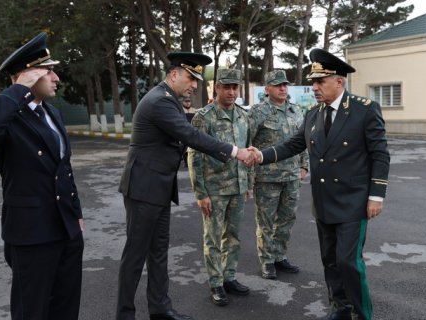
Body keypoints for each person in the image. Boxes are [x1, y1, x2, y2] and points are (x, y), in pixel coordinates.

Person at [249, 49, 390, 320]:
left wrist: (376, 196)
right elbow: (294, 144)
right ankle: (340, 308)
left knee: (349, 262)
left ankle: (362, 315)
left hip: (353, 201)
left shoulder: (364, 109)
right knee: (330, 261)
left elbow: (380, 154)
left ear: (339, 82)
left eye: (320, 82)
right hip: (324, 201)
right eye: (313, 82)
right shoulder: (313, 113)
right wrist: (261, 156)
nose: (314, 87)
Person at [116, 52, 254, 320]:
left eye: (197, 80)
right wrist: (236, 151)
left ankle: (160, 309)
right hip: (143, 190)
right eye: (191, 78)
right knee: (135, 257)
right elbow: (190, 135)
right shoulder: (159, 101)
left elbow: (185, 130)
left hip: (158, 190)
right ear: (174, 74)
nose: (194, 84)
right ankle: (124, 315)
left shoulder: (168, 100)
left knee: (157, 254)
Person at [0, 32, 84, 320]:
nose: (57, 77)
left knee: (66, 306)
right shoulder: (1, 112)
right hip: (32, 234)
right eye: (49, 71)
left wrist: (77, 212)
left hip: (65, 226)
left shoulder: (53, 114)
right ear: (29, 74)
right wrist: (20, 85)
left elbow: (64, 168)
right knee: (31, 310)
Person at [187, 69, 251, 306]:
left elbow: (247, 151)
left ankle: (229, 277)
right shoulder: (204, 117)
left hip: (237, 185)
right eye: (227, 87)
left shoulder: (244, 116)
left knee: (233, 236)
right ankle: (215, 282)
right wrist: (200, 193)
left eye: (235, 87)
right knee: (213, 238)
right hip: (214, 189)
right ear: (217, 88)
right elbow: (194, 156)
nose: (232, 92)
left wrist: (248, 182)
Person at [247, 70, 309, 280]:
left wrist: (304, 166)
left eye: (285, 85)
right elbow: (248, 145)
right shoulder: (257, 112)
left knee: (286, 219)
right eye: (277, 85)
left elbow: (304, 141)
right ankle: (267, 261)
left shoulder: (296, 110)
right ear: (267, 89)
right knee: (265, 221)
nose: (283, 88)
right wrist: (249, 175)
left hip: (291, 175)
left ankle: (280, 256)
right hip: (267, 178)